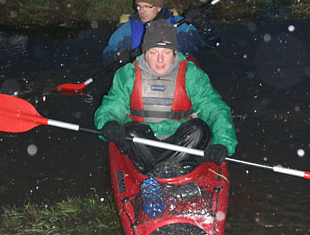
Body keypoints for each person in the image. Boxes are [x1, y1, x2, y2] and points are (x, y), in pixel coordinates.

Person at [95, 20, 237, 176]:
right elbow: (113, 105)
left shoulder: (191, 75)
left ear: (175, 53)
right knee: (130, 132)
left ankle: (158, 172)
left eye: (166, 52)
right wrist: (108, 122)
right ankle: (173, 169)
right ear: (144, 53)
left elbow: (215, 109)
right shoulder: (127, 75)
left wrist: (222, 143)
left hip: (181, 142)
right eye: (153, 52)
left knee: (199, 129)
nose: (160, 60)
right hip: (144, 143)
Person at [102, 0, 220, 65]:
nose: (141, 11)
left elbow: (212, 42)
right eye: (139, 6)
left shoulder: (180, 26)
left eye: (147, 7)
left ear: (158, 7)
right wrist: (117, 56)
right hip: (143, 85)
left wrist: (202, 24)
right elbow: (107, 54)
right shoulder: (126, 31)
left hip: (176, 83)